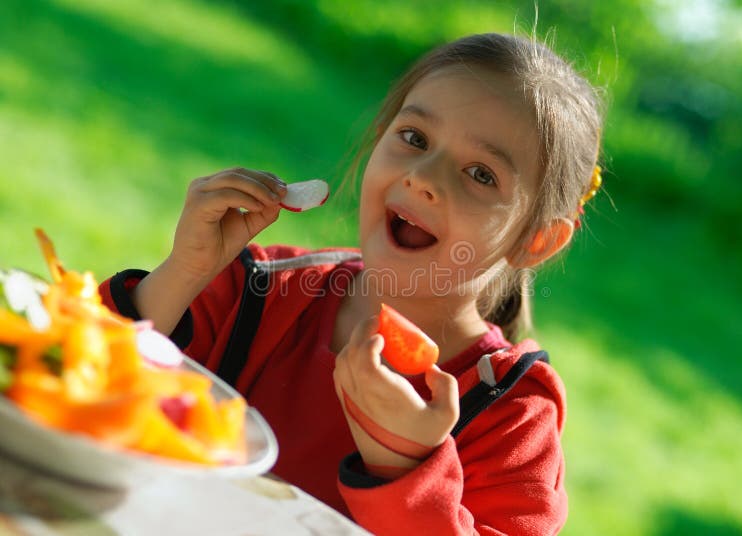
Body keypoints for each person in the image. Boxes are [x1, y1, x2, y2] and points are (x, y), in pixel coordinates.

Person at [99, 32, 604, 535]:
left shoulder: (510, 414)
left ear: (536, 241)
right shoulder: (259, 290)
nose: (423, 176)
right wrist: (183, 273)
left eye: (480, 173)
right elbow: (81, 381)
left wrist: (409, 469)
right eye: (415, 139)